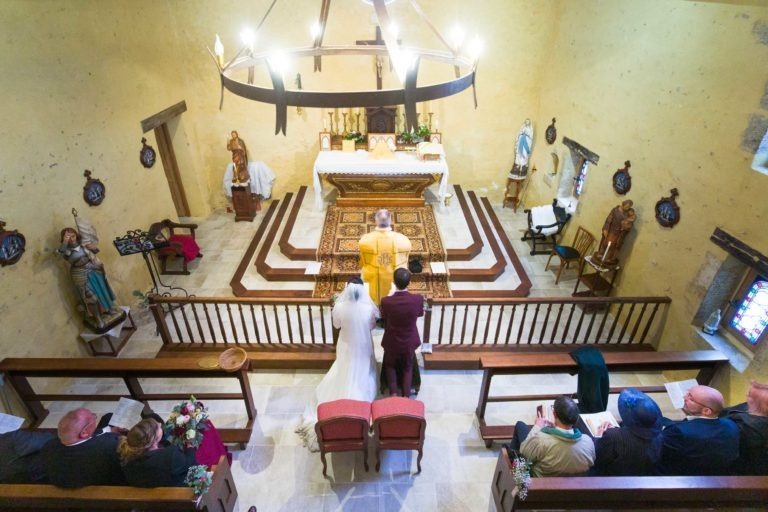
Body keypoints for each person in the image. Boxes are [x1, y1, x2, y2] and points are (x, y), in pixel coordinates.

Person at [295, 277, 379, 451]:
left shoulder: (339, 307)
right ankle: (358, 410)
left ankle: (338, 411)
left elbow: (337, 325)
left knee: (344, 369)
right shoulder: (368, 308)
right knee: (363, 370)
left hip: (346, 344)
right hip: (363, 345)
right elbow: (372, 326)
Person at [652, 384, 739, 476]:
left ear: (706, 411)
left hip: (679, 479)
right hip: (718, 479)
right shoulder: (731, 425)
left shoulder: (679, 432)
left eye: (691, 399)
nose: (684, 398)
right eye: (687, 394)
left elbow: (654, 450)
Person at [41, 407, 126, 487]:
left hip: (77, 484)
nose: (94, 418)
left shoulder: (48, 447)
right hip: (109, 487)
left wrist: (109, 430)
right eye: (94, 417)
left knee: (107, 417)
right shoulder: (110, 446)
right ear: (84, 433)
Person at [513, 396, 595, 477]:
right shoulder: (588, 441)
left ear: (554, 414)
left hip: (542, 486)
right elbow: (592, 462)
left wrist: (537, 427)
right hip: (576, 487)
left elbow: (523, 452)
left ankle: (513, 476)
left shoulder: (541, 441)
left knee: (520, 426)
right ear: (576, 418)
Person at [58, 227, 121, 330]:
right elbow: (60, 253)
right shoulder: (66, 250)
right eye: (68, 237)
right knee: (90, 297)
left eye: (73, 236)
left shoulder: (83, 245)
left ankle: (109, 309)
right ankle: (98, 319)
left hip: (94, 269)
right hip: (80, 274)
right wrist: (65, 241)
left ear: (76, 235)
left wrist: (91, 246)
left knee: (102, 290)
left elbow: (95, 251)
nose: (71, 239)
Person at [591, 388, 662, 476]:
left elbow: (596, 458)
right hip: (641, 477)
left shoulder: (613, 436)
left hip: (612, 480)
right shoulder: (659, 436)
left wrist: (598, 437)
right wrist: (617, 430)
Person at [380, 268, 424, 398]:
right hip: (409, 341)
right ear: (409, 283)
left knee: (390, 364)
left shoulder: (386, 301)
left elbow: (384, 318)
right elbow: (420, 313)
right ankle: (406, 396)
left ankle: (393, 394)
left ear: (393, 282)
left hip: (392, 340)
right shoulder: (417, 299)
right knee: (407, 366)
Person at [358, 209, 411, 305]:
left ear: (375, 221)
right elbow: (405, 260)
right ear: (390, 221)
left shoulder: (365, 241)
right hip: (396, 279)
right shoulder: (403, 240)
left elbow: (363, 262)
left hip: (373, 277)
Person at [720, 380, 768, 475]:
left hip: (746, 475)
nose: (746, 395)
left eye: (750, 395)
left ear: (758, 404)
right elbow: (729, 410)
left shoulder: (751, 428)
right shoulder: (754, 409)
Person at [593, 200, 636, 267]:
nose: (627, 208)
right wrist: (606, 228)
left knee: (613, 246)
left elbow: (628, 224)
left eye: (629, 207)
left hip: (618, 233)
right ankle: (601, 254)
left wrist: (626, 225)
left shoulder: (628, 214)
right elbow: (609, 219)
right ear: (623, 204)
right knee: (605, 242)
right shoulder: (615, 210)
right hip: (611, 230)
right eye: (627, 206)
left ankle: (608, 258)